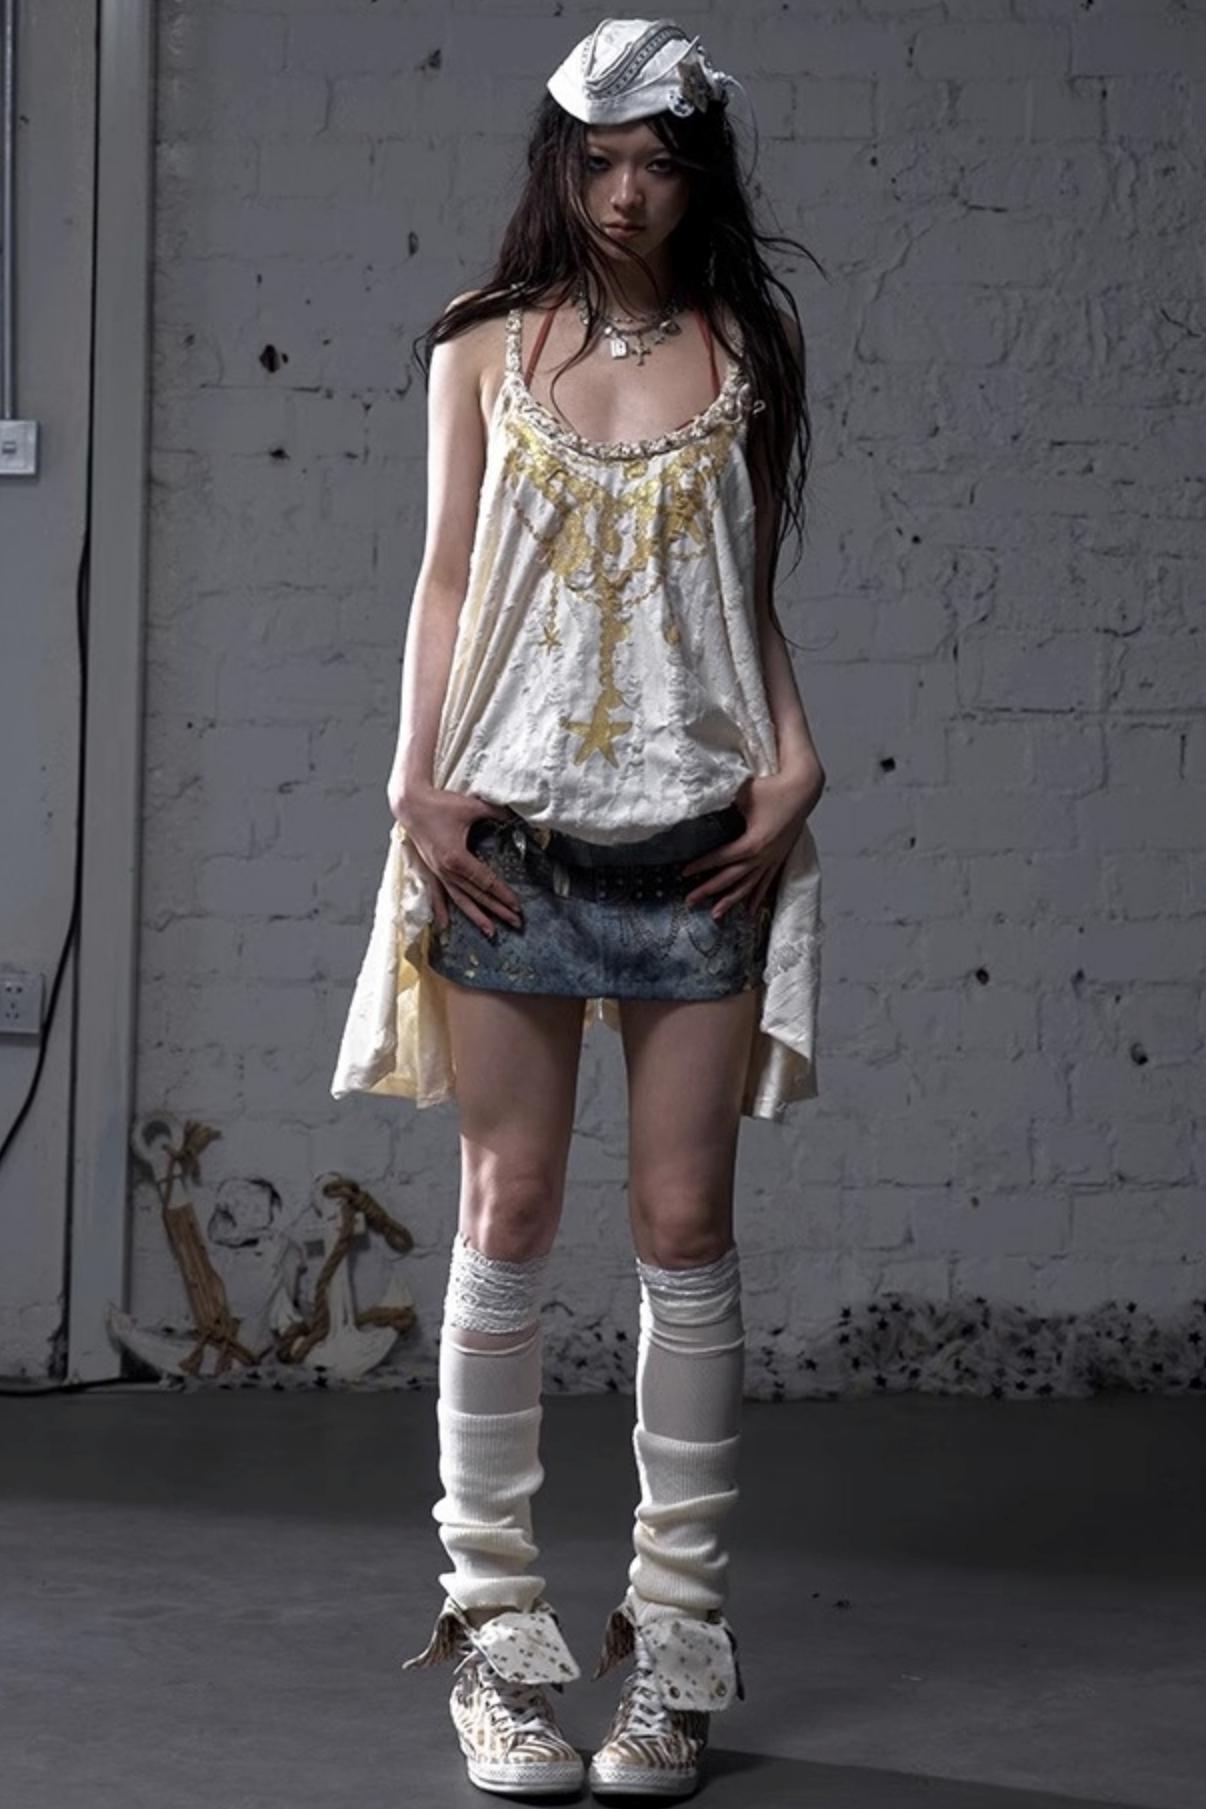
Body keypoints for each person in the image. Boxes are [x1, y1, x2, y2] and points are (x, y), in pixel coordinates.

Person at [330, 16, 826, 1800]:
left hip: (698, 837)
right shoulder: (481, 344)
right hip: (512, 835)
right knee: (509, 1207)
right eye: (599, 162)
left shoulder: (744, 343)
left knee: (684, 1227)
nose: (626, 196)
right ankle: (493, 1643)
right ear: (560, 164)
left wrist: (794, 756)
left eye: (658, 163)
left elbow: (738, 593)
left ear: (699, 172)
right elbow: (444, 574)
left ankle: (672, 1657)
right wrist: (412, 779)